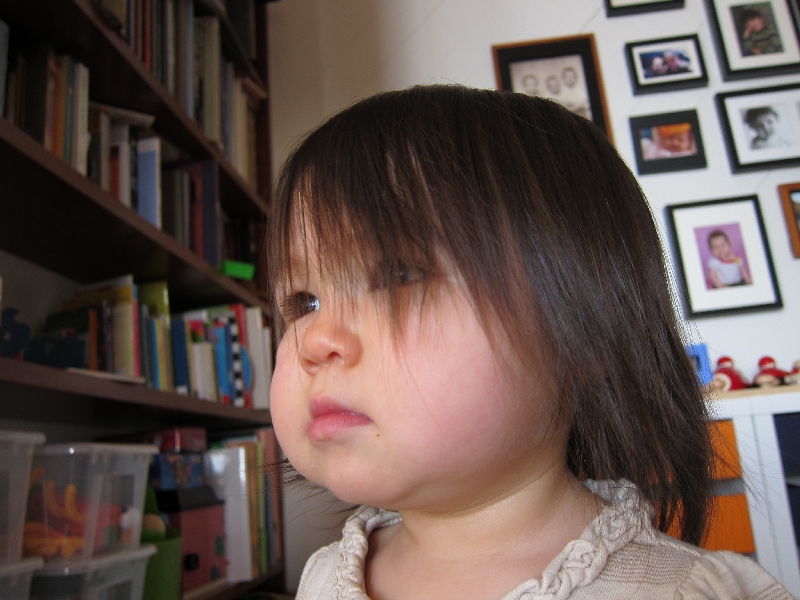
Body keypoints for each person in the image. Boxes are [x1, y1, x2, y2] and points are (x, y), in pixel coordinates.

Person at [268, 85, 791, 599]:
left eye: (400, 275)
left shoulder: (683, 591)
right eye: (303, 302)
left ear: (585, 331)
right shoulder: (323, 577)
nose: (316, 340)